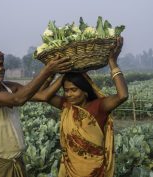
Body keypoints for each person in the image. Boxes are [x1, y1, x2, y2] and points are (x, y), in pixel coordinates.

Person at [0, 46, 72, 177]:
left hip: (17, 159)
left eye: (1, 64)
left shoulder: (9, 86)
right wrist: (48, 70)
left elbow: (41, 96)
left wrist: (63, 75)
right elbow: (18, 99)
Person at [41, 37, 128, 177]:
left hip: (95, 171)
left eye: (73, 90)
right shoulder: (66, 105)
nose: (68, 94)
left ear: (85, 92)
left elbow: (122, 95)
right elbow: (42, 94)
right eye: (66, 90)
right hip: (70, 171)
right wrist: (56, 73)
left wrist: (112, 62)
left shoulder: (99, 107)